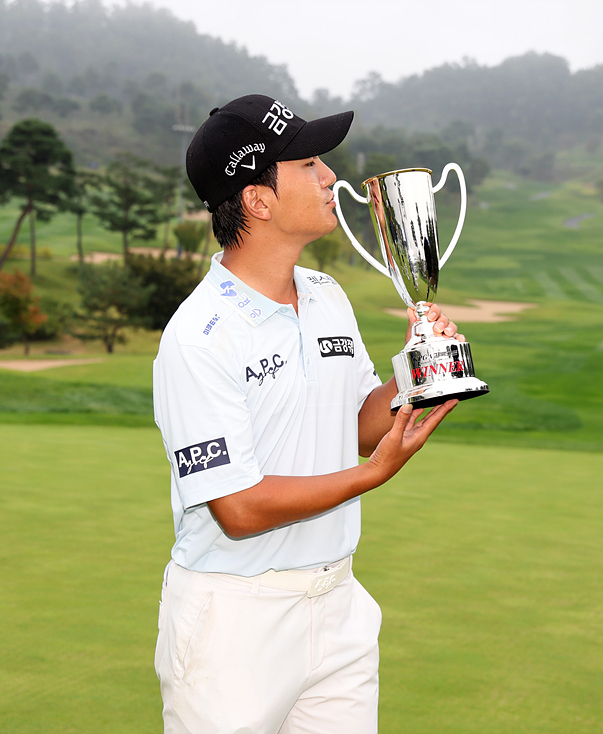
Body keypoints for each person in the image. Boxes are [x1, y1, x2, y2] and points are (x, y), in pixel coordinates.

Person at [152, 94, 464, 734]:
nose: (330, 178)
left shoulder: (326, 295)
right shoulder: (199, 335)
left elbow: (352, 421)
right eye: (309, 164)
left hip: (338, 604)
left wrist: (420, 370)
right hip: (233, 621)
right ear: (258, 200)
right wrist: (371, 476)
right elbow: (237, 510)